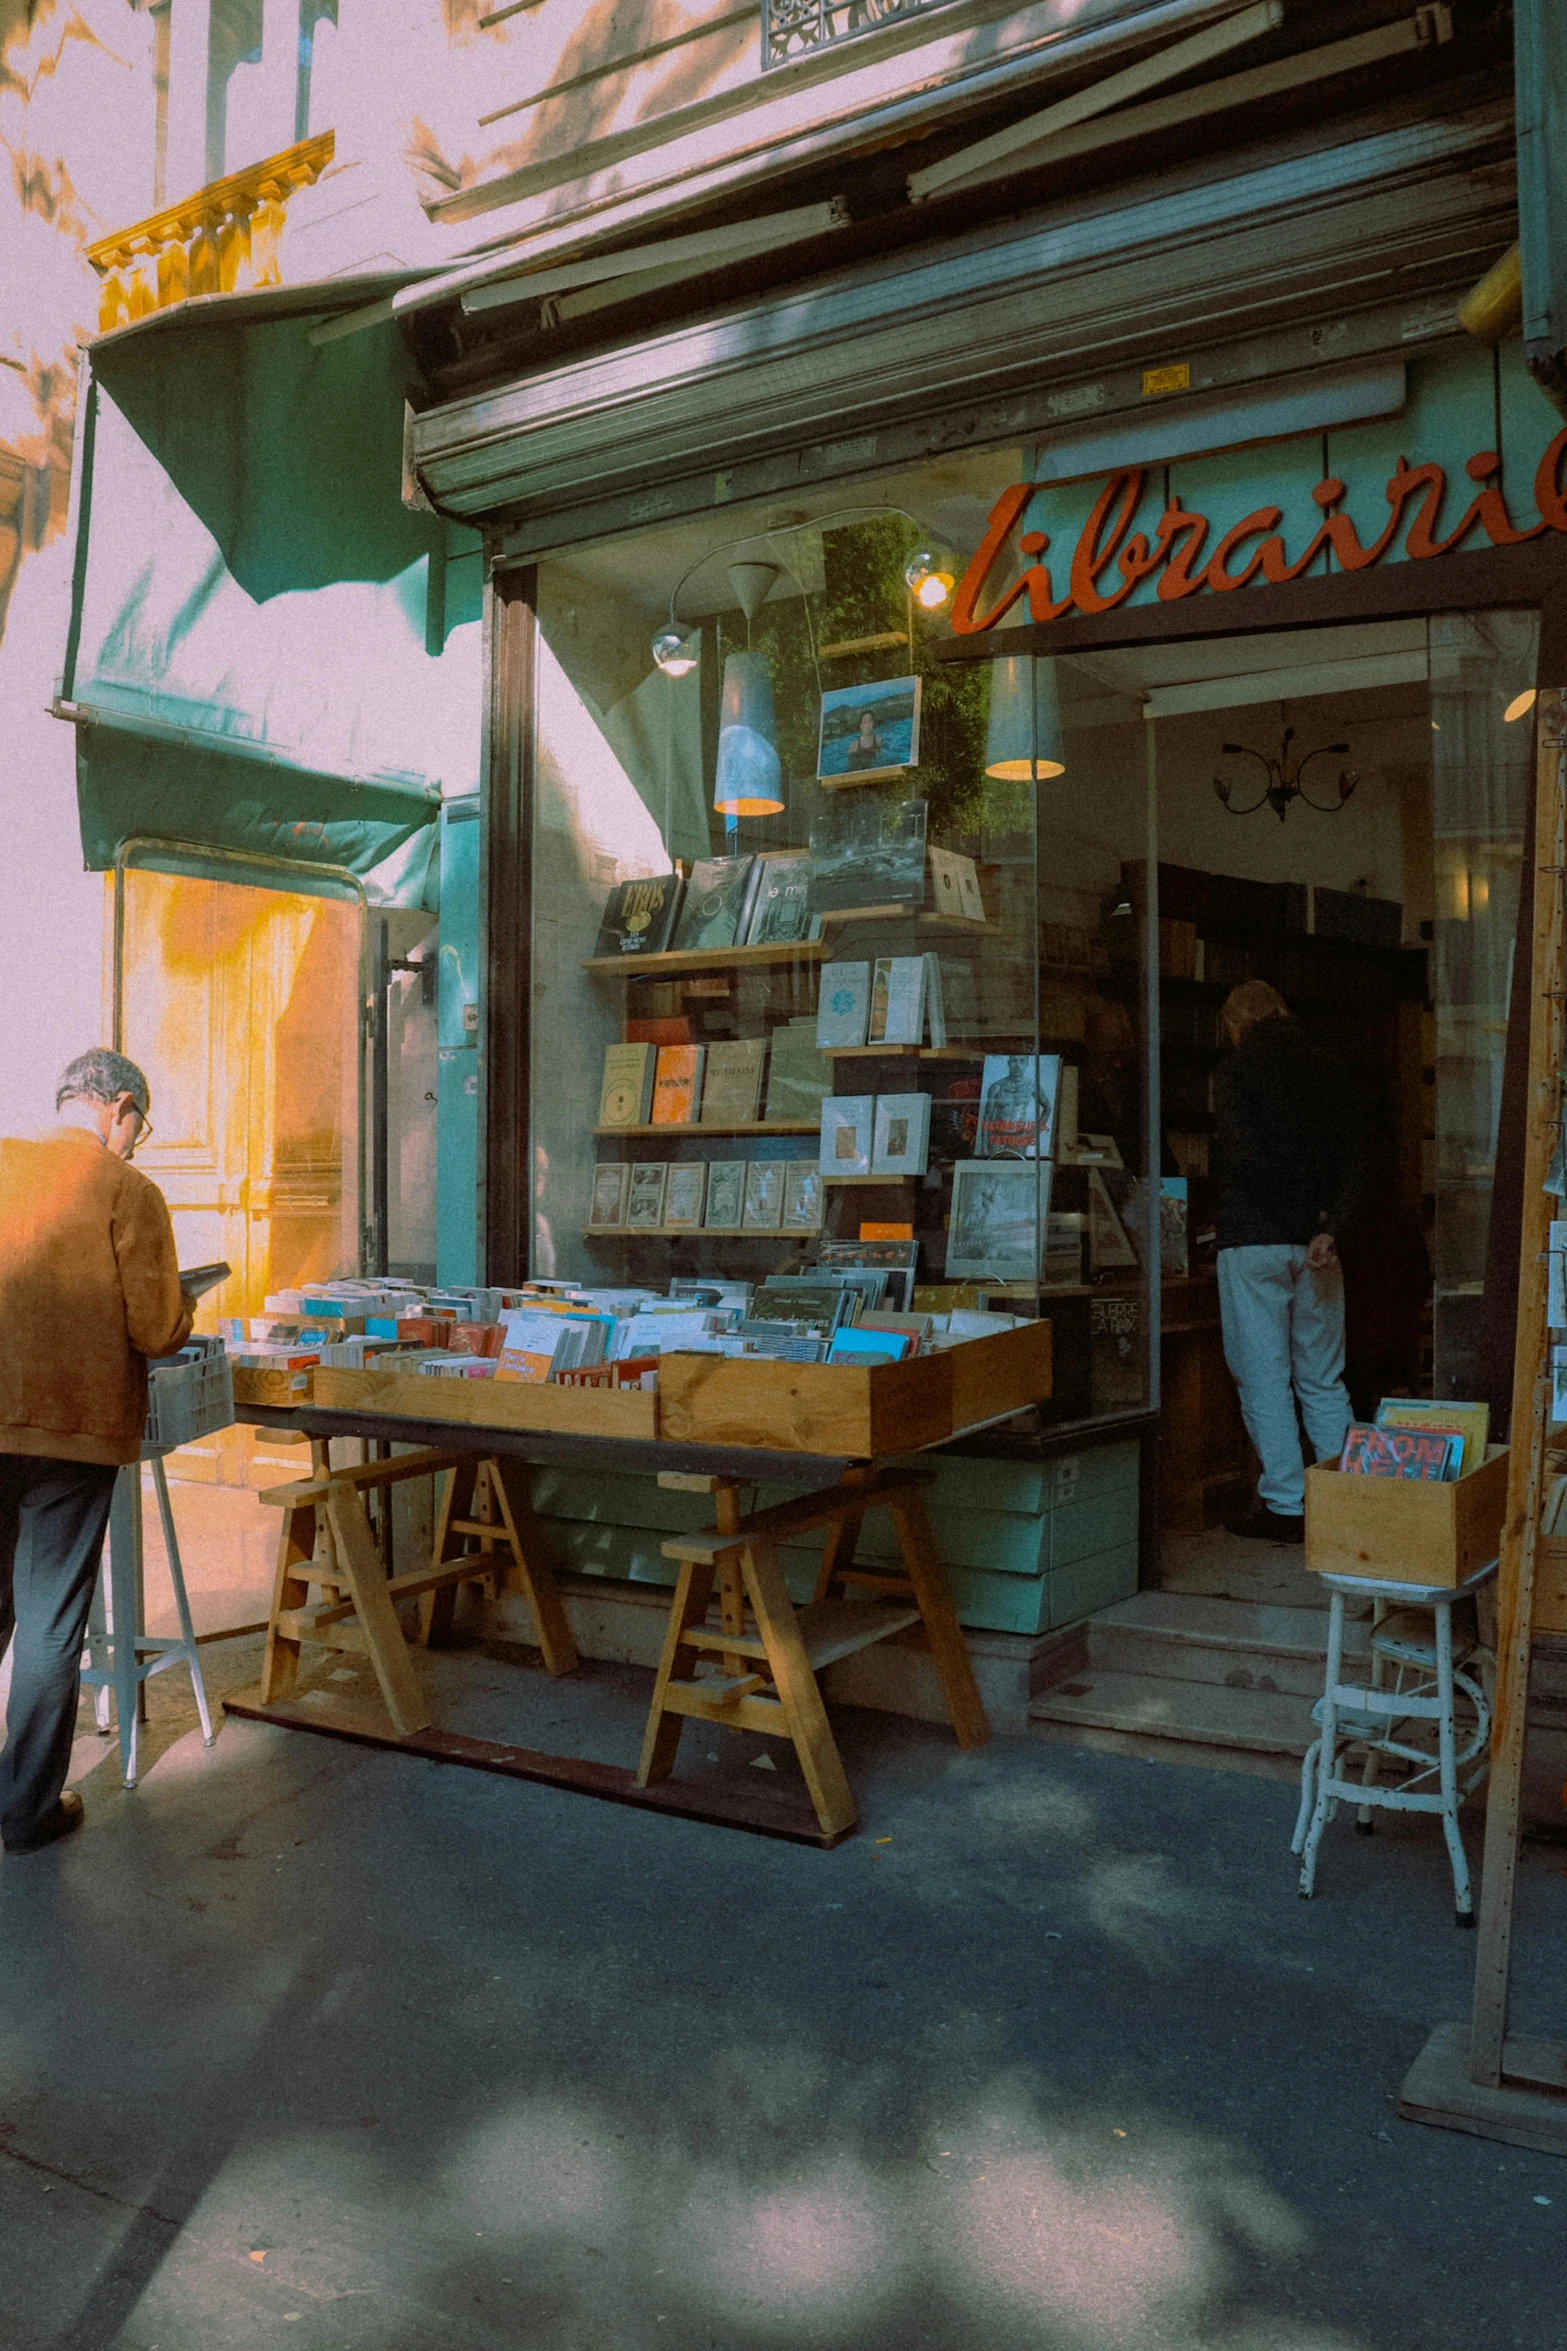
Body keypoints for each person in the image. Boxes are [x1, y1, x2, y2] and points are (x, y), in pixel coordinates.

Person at [0, 1050, 193, 1853]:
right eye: (136, 1128)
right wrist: (183, 1309)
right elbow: (154, 1327)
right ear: (117, 1107)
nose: (133, 1144)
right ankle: (24, 1811)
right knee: (50, 1622)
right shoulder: (129, 1191)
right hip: (72, 1431)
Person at [1212, 981, 1357, 1544]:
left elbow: (1243, 1154)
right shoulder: (1331, 1066)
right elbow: (1360, 1156)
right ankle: (1345, 1498)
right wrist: (1328, 1227)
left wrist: (1289, 1221)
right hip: (1320, 1242)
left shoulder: (1236, 1070)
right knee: (1322, 1376)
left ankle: (1287, 1505)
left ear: (1235, 1025)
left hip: (1254, 1241)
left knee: (1264, 1377)